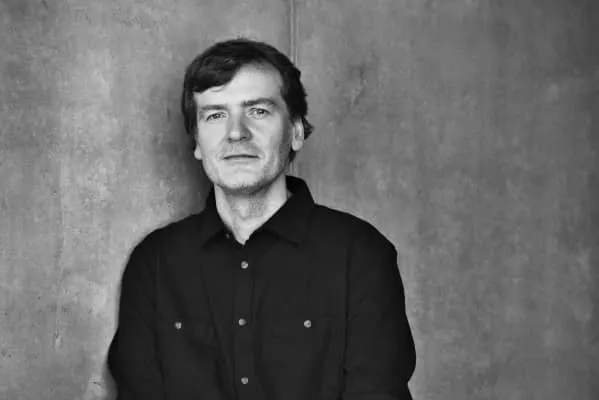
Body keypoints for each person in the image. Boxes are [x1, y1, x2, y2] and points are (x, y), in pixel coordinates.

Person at [108, 38, 416, 400]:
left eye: (257, 111)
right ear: (197, 142)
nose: (236, 132)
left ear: (296, 131)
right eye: (215, 115)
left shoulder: (360, 256)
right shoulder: (156, 264)